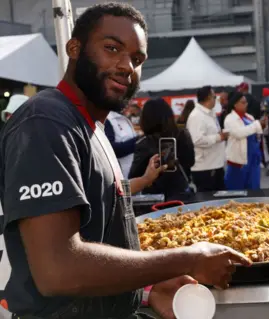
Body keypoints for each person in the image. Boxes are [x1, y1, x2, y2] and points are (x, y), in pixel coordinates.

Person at [0, 3, 250, 318]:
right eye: (112, 48)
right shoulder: (45, 121)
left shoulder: (94, 128)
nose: (126, 66)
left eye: (137, 59)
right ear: (74, 48)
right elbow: (57, 270)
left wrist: (146, 290)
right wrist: (189, 258)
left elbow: (100, 236)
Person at [129, 97, 195, 200]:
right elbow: (191, 161)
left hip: (154, 198)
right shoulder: (183, 134)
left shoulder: (144, 142)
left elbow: (134, 175)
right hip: (181, 193)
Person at [186, 86, 228, 192]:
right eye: (215, 97)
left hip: (215, 165)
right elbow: (197, 140)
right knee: (207, 202)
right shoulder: (197, 116)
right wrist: (218, 137)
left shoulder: (210, 113)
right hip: (205, 169)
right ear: (209, 97)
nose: (216, 100)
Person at [223, 92, 264, 190]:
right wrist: (258, 125)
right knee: (237, 190)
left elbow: (256, 132)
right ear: (235, 104)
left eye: (246, 102)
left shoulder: (249, 117)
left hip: (253, 158)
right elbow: (239, 133)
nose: (246, 104)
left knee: (254, 189)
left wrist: (263, 125)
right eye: (243, 102)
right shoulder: (230, 119)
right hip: (239, 161)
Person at [105, 110, 139, 178]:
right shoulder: (108, 119)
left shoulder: (124, 118)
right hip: (121, 178)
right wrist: (138, 141)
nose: (129, 102)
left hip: (132, 176)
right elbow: (112, 150)